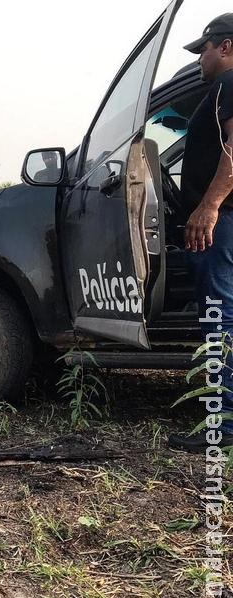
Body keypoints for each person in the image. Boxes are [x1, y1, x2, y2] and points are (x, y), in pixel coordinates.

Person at [169, 14, 233, 452]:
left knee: (220, 319)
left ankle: (224, 426)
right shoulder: (216, 92)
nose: (200, 59)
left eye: (204, 49)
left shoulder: (229, 85)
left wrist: (208, 207)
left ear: (226, 46)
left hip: (222, 223)